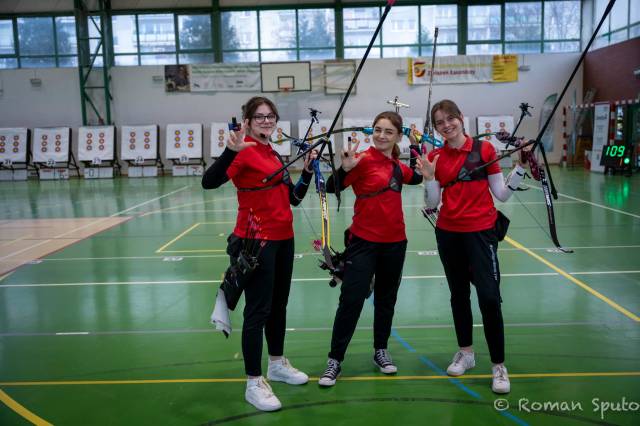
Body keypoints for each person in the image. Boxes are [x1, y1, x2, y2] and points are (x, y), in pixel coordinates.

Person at [202, 96, 317, 411]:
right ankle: (253, 382)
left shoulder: (272, 151)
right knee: (257, 312)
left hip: (284, 238)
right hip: (256, 241)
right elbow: (208, 182)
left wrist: (306, 173)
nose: (266, 121)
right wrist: (230, 151)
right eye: (260, 116)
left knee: (278, 306)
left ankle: (277, 364)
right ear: (248, 121)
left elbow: (292, 198)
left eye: (271, 116)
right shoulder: (243, 152)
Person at [416, 99, 529, 394]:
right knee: (459, 295)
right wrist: (428, 177)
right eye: (439, 122)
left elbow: (502, 195)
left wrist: (521, 168)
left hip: (481, 234)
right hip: (448, 233)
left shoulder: (484, 150)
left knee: (490, 298)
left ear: (460, 118)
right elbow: (431, 203)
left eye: (450, 119)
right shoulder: (435, 155)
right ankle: (466, 353)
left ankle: (498, 365)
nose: (446, 125)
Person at [318, 111, 423, 387]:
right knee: (351, 300)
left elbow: (418, 177)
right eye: (377, 130)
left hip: (395, 243)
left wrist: (415, 146)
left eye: (388, 132)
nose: (381, 135)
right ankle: (335, 360)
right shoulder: (362, 159)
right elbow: (332, 187)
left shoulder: (398, 167)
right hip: (363, 243)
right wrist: (345, 168)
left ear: (397, 136)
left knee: (386, 300)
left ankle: (380, 350)